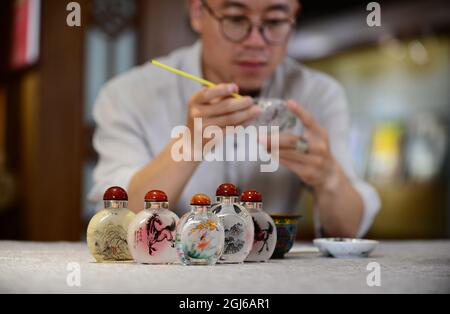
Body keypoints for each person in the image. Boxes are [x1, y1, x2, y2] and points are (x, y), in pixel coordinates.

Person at [89, 0, 380, 238]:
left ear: (293, 17)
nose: (256, 41)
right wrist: (192, 143)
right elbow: (120, 221)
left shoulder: (317, 94)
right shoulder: (128, 95)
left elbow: (346, 231)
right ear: (198, 14)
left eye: (275, 21)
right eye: (236, 18)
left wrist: (328, 177)